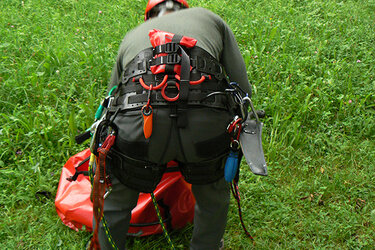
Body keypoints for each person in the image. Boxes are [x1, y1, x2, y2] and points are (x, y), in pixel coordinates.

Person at [93, 0, 252, 249]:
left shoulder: (132, 35)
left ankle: (108, 245)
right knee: (212, 196)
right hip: (206, 125)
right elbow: (243, 88)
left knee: (118, 198)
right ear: (185, 9)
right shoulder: (210, 19)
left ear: (148, 17)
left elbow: (112, 97)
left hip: (139, 125)